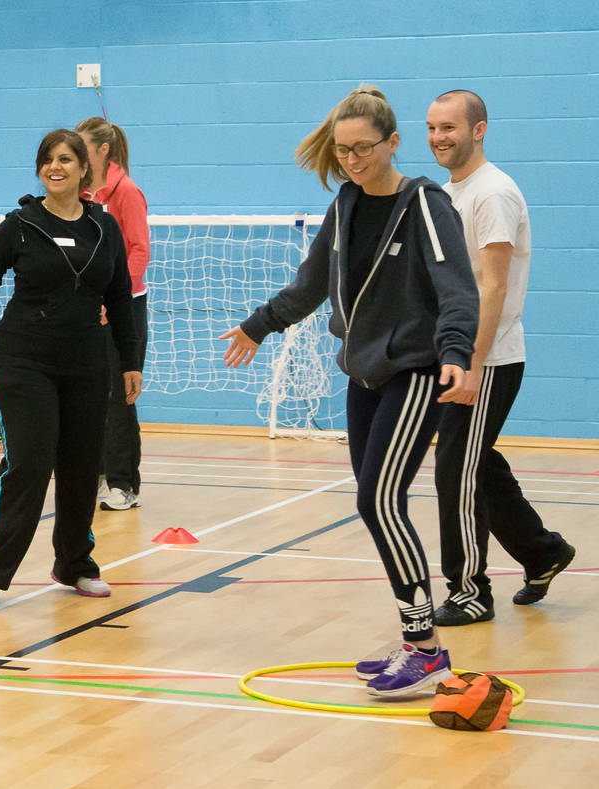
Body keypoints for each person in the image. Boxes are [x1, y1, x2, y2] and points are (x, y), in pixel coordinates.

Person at [220, 86, 479, 697]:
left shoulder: (426, 204)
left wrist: (456, 355)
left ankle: (426, 650)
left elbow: (458, 289)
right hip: (362, 375)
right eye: (343, 151)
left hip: (416, 372)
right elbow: (310, 285)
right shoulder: (345, 204)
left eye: (364, 148)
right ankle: (420, 642)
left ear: (393, 142)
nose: (353, 160)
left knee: (379, 501)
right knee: (376, 504)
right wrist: (259, 325)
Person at [0, 128, 137, 607]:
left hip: (87, 363)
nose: (54, 167)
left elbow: (120, 297)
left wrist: (130, 361)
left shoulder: (105, 228)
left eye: (65, 159)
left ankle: (74, 564)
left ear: (84, 169)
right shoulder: (19, 224)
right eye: (47, 160)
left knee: (82, 468)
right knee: (30, 463)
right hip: (21, 361)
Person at [426, 89, 575, 626]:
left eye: (450, 127)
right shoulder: (450, 192)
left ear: (479, 129)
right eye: (432, 127)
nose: (439, 137)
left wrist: (471, 363)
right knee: (476, 463)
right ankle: (542, 552)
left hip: (487, 359)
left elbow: (493, 287)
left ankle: (469, 591)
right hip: (459, 356)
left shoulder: (493, 193)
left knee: (456, 472)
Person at [76, 117, 149, 511]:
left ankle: (124, 484)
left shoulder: (127, 192)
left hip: (124, 309)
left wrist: (113, 299)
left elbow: (138, 250)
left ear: (103, 150)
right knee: (91, 397)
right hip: (89, 309)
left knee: (121, 398)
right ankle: (100, 476)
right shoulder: (84, 194)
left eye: (82, 146)